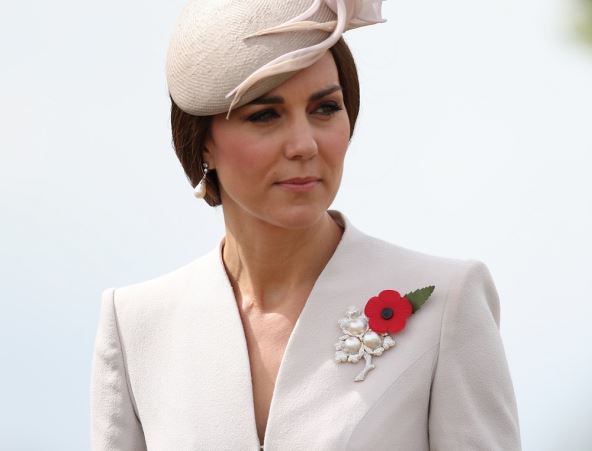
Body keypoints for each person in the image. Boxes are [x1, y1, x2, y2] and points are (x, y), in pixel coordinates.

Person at [90, 1, 522, 450]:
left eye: (325, 108)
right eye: (264, 115)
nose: (304, 145)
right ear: (204, 143)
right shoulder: (136, 324)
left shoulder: (446, 302)